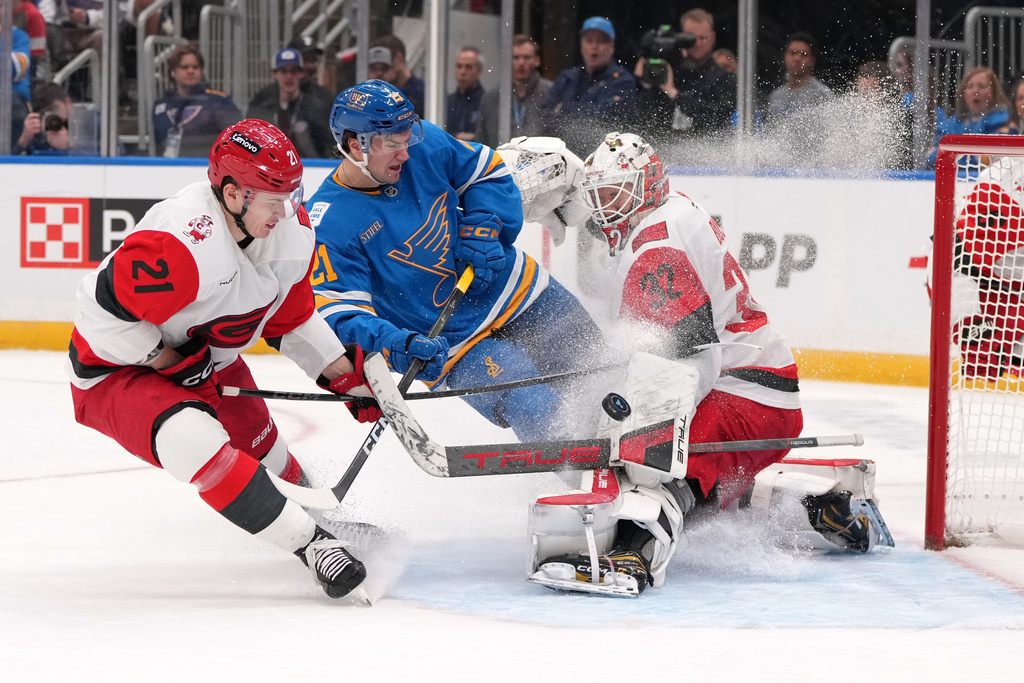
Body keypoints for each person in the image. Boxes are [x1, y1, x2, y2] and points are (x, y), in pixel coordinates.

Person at [502, 134, 892, 596]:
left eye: (615, 195)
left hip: (745, 396)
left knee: (650, 472)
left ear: (645, 186)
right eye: (600, 196)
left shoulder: (657, 251)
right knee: (687, 476)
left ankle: (631, 558)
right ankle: (813, 504)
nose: (606, 209)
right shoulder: (673, 208)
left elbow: (689, 361)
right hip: (758, 387)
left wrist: (629, 425)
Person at [66, 119, 384, 600]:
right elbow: (98, 314)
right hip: (118, 372)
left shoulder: (290, 232)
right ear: (233, 194)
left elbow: (292, 320)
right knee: (194, 441)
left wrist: (343, 377)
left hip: (207, 361)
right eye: (274, 201)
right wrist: (163, 358)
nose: (287, 213)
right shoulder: (180, 245)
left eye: (290, 197)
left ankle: (325, 524)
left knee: (271, 457)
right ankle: (313, 546)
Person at [306, 79, 604, 443]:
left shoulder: (423, 144)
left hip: (518, 290)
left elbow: (490, 173)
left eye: (407, 137)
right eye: (392, 144)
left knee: (598, 372)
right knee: (534, 407)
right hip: (452, 344)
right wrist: (395, 345)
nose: (404, 153)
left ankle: (655, 464)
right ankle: (588, 485)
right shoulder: (328, 224)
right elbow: (342, 314)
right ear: (355, 145)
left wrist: (485, 225)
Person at [631, 8, 736, 140]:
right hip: (665, 148)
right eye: (690, 38)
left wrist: (675, 95)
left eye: (703, 38)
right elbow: (646, 119)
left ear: (713, 38)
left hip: (707, 151)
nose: (697, 43)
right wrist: (647, 84)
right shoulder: (669, 71)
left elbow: (718, 116)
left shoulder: (723, 78)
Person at [543, 16, 635, 155]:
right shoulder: (566, 78)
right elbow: (546, 118)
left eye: (601, 41)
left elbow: (607, 117)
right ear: (582, 46)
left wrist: (566, 108)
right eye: (589, 40)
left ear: (611, 47)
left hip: (606, 159)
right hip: (564, 158)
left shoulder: (623, 81)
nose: (594, 46)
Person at [153, 45, 244, 157]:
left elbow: (237, 140)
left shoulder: (219, 102)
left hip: (205, 168)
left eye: (195, 67)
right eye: (184, 67)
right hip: (166, 169)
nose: (191, 71)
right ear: (173, 72)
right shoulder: (161, 106)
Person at [246, 47, 334, 158]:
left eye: (294, 71)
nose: (289, 77)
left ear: (301, 73)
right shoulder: (264, 107)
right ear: (274, 74)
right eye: (284, 71)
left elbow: (327, 147)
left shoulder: (315, 108)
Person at [475, 34, 552, 149]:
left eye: (526, 57)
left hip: (541, 163)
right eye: (515, 57)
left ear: (537, 60)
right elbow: (481, 140)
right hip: (500, 163)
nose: (521, 63)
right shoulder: (493, 97)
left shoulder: (550, 92)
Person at [926, 67, 1010, 167]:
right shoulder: (950, 125)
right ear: (963, 93)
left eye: (982, 86)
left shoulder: (1005, 122)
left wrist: (953, 154)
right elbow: (930, 157)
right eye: (970, 87)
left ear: (994, 93)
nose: (975, 91)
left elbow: (996, 159)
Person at [767, 32, 833, 123]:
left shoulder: (822, 94)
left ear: (812, 61)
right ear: (785, 56)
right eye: (792, 53)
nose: (797, 58)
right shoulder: (776, 96)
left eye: (803, 54)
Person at [368, 35, 425, 117]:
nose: (379, 73)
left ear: (398, 58)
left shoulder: (422, 94)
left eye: (384, 67)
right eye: (373, 68)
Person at [14, 82, 73, 155]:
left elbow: (88, 158)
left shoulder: (82, 129)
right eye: (48, 115)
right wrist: (23, 141)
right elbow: (7, 163)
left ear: (68, 103)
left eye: (55, 110)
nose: (53, 120)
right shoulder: (35, 137)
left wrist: (69, 146)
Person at [445, 46, 485, 141]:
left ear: (479, 71)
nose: (462, 72)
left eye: (469, 67)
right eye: (459, 66)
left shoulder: (486, 102)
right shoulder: (447, 102)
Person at [286, 34, 334, 107]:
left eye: (313, 60)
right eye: (305, 60)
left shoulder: (325, 98)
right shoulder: (270, 97)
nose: (310, 66)